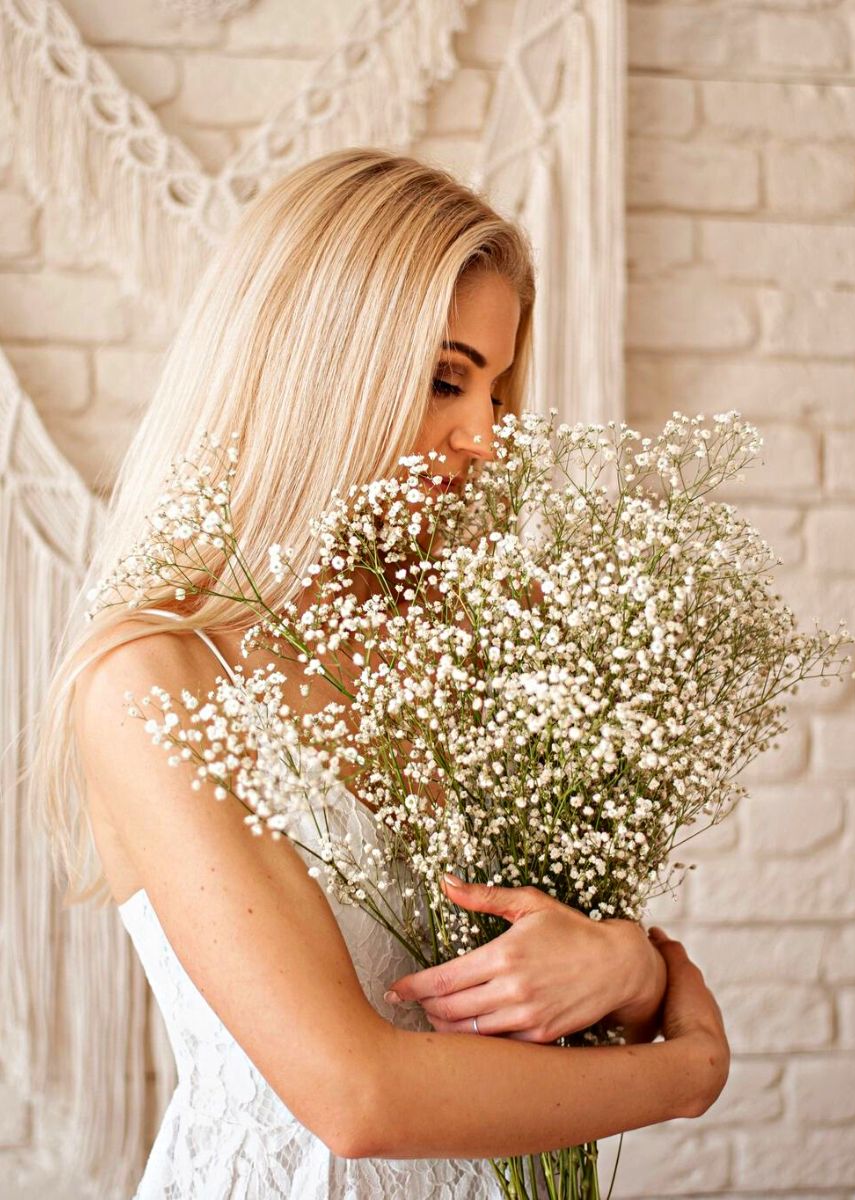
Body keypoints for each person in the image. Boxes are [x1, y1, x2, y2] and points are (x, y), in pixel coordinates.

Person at [35, 147, 729, 1197]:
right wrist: (684, 1070)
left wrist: (631, 969)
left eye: (496, 391)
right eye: (447, 379)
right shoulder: (154, 679)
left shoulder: (486, 641)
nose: (486, 436)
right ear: (315, 363)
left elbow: (569, 965)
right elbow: (355, 1097)